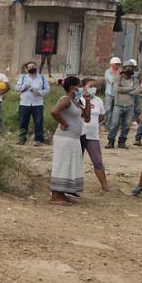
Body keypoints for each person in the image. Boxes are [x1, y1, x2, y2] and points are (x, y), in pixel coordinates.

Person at [49, 76, 88, 205]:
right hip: (65, 138)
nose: (82, 88)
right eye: (80, 86)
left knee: (69, 165)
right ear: (72, 88)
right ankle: (55, 195)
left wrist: (87, 101)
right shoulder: (66, 100)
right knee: (62, 164)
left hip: (73, 139)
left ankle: (62, 193)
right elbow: (54, 111)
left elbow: (86, 117)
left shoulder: (76, 101)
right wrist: (63, 123)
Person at [79, 78, 116, 194]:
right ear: (84, 87)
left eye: (95, 86)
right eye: (91, 86)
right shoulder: (79, 99)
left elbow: (101, 116)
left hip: (93, 135)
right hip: (79, 134)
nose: (93, 89)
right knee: (76, 161)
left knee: (98, 161)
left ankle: (105, 186)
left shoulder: (98, 100)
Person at [15, 60, 49, 146]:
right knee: (23, 122)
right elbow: (16, 88)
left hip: (37, 104)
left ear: (36, 67)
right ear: (27, 69)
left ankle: (39, 140)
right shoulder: (23, 78)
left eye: (33, 67)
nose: (31, 68)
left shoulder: (42, 78)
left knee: (38, 122)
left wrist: (40, 93)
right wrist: (24, 87)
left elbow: (47, 89)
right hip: (24, 103)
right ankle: (21, 139)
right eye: (29, 67)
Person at [106, 63, 139, 149]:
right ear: (123, 69)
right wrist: (130, 88)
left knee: (127, 125)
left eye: (131, 69)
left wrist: (123, 89)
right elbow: (117, 89)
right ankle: (111, 141)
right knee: (114, 124)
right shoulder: (117, 78)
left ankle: (122, 142)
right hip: (118, 105)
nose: (129, 70)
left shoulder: (135, 80)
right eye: (127, 68)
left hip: (130, 105)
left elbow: (137, 91)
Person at [103, 56, 122, 131]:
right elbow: (112, 81)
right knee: (107, 109)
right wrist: (118, 76)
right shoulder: (108, 72)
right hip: (109, 94)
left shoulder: (120, 72)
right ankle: (105, 124)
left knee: (115, 110)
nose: (117, 66)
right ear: (112, 64)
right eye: (116, 64)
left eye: (118, 64)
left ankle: (111, 125)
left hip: (117, 94)